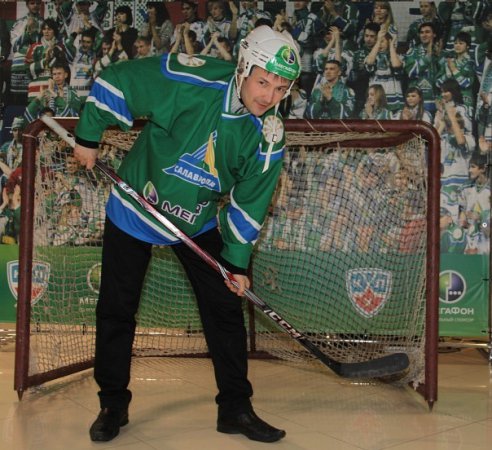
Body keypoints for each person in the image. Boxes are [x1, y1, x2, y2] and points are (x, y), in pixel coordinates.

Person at [72, 25, 301, 443]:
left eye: (281, 89)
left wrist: (236, 263)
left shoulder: (269, 136)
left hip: (194, 221)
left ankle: (235, 409)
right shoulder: (193, 79)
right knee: (116, 308)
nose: (269, 96)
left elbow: (251, 203)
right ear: (243, 68)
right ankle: (112, 405)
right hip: (136, 206)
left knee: (225, 308)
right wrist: (89, 135)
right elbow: (120, 79)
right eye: (263, 82)